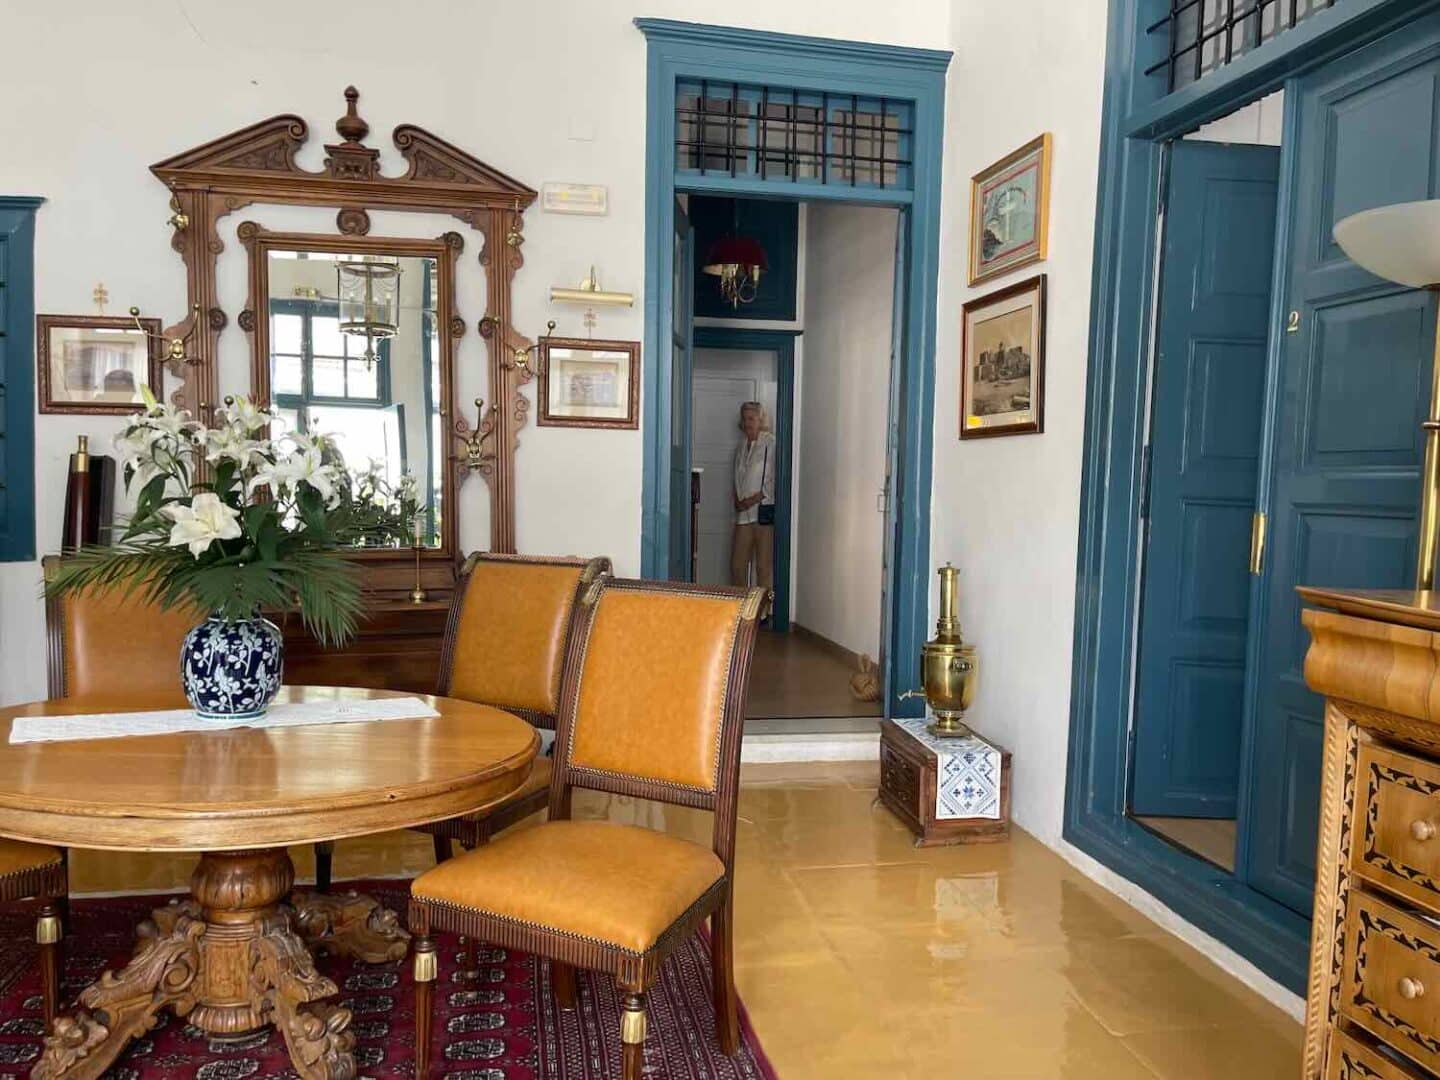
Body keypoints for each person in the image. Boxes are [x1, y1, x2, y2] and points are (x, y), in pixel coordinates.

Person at [731, 401, 776, 600]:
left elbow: (775, 478)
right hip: (743, 514)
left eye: (752, 418)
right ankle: (741, 607)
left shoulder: (770, 443)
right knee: (737, 564)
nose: (748, 423)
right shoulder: (741, 445)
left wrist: (755, 498)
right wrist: (738, 498)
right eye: (745, 418)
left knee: (763, 566)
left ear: (760, 420)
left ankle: (763, 611)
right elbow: (737, 476)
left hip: (762, 512)